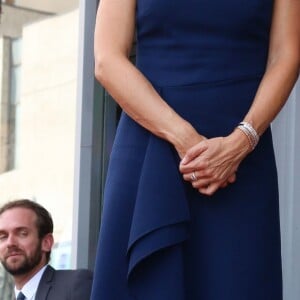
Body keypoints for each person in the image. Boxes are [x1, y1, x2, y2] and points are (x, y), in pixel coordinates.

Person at [91, 0, 299, 299]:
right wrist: (186, 139)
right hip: (151, 143)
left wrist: (243, 140)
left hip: (242, 157)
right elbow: (107, 60)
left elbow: (286, 56)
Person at [0, 199, 93, 300]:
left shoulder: (75, 285)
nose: (10, 243)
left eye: (22, 233)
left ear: (46, 243)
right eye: (3, 236)